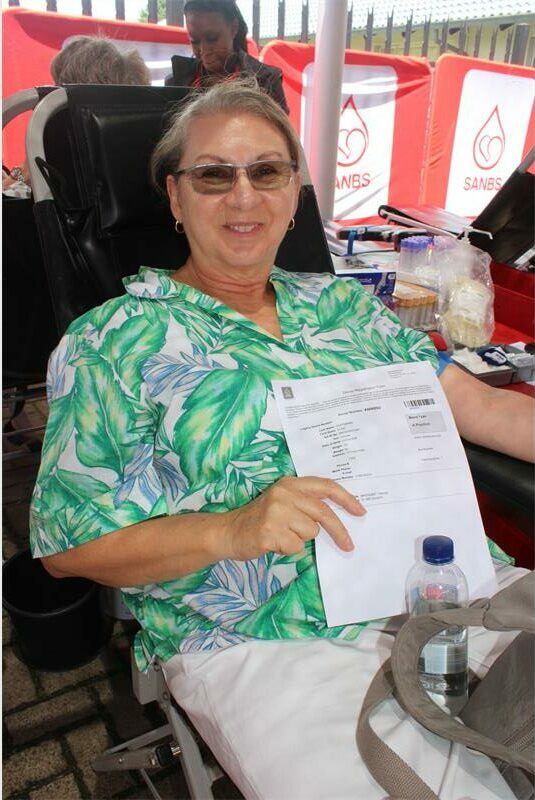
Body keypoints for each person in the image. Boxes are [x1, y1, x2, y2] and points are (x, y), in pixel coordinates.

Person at [30, 80, 533, 799]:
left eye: (266, 171)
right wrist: (232, 529)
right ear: (175, 197)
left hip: (444, 584)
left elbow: (479, 406)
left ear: (294, 192)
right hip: (266, 639)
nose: (244, 195)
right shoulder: (112, 342)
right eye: (213, 175)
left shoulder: (345, 306)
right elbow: (67, 547)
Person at [3, 36, 151, 194]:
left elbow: (16, 189)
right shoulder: (146, 141)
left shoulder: (62, 147)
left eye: (57, 84)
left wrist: (21, 172)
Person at [165, 0, 289, 112]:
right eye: (194, 41)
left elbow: (279, 130)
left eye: (212, 38)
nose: (204, 50)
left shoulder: (266, 81)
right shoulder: (176, 82)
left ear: (234, 28)